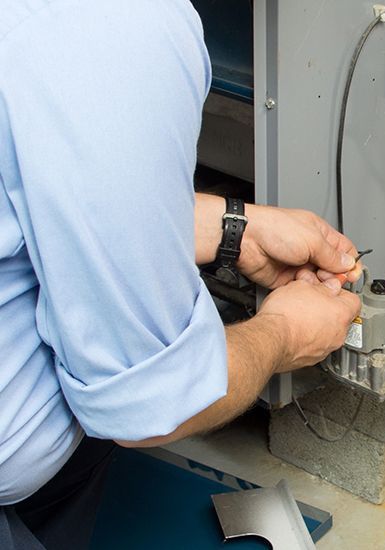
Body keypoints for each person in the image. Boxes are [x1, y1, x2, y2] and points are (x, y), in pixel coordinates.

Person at [0, 1, 362, 547]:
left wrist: (233, 227)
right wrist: (284, 333)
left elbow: (39, 191)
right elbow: (150, 408)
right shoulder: (115, 21)